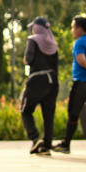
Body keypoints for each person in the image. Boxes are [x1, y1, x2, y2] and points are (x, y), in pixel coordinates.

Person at [52, 15, 86, 155]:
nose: (72, 30)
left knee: (73, 113)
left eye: (73, 27)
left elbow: (81, 59)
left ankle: (66, 144)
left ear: (79, 28)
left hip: (83, 82)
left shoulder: (79, 43)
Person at [21, 17, 59, 155]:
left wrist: (26, 61)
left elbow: (28, 59)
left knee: (26, 111)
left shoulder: (33, 40)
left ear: (37, 27)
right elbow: (56, 66)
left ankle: (35, 138)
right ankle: (47, 145)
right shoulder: (53, 44)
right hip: (52, 81)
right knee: (48, 115)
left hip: (36, 79)